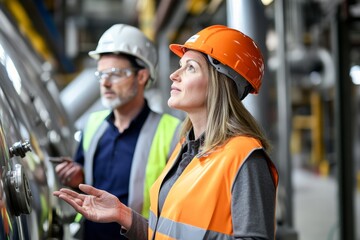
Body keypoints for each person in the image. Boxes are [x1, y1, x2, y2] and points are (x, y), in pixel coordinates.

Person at [54, 25, 279, 240]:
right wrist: (123, 214)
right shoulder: (187, 148)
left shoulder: (245, 158)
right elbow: (168, 231)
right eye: (180, 65)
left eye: (190, 67)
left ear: (218, 82)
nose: (174, 75)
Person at [54, 24, 181, 240]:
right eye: (101, 73)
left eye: (114, 73)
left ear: (142, 76)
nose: (105, 82)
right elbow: (86, 180)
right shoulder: (93, 125)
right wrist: (78, 178)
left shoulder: (173, 132)